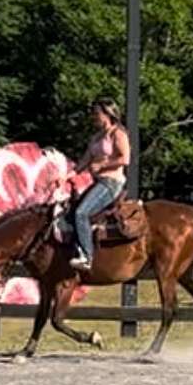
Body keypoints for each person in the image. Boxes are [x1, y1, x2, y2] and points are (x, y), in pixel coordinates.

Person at [69, 98, 130, 271]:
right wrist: (68, 175)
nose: (94, 117)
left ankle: (87, 256)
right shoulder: (96, 137)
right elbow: (85, 160)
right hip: (98, 181)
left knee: (82, 212)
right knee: (71, 210)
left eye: (97, 113)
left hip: (112, 182)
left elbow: (125, 159)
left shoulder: (118, 133)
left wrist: (102, 165)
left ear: (108, 114)